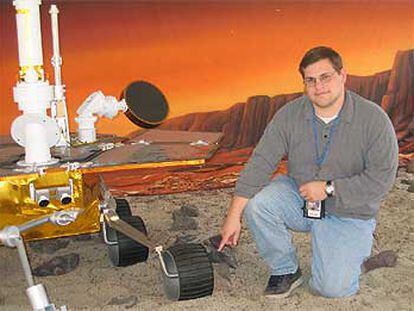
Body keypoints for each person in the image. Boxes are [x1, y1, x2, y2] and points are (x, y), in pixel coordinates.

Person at [218, 46, 399, 298]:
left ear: (343, 76)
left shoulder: (374, 119)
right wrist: (233, 216)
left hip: (348, 211)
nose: (318, 86)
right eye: (310, 80)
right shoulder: (289, 115)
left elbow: (381, 180)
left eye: (325, 77)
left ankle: (358, 261)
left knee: (330, 288)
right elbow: (260, 162)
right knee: (259, 204)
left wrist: (328, 188)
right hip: (301, 197)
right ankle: (286, 269)